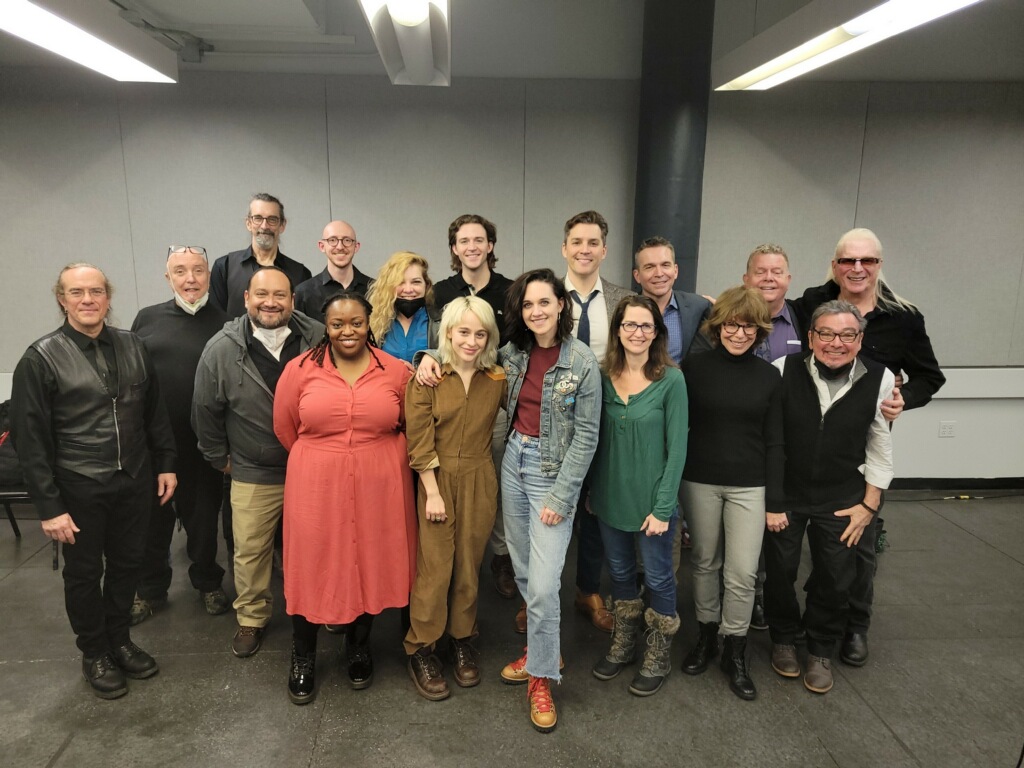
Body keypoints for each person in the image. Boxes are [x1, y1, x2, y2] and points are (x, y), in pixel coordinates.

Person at [415, 268, 600, 731]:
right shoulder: (511, 356)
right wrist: (423, 355)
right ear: (519, 311)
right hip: (513, 462)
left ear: (562, 304)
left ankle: (541, 675)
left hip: (552, 474)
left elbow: (588, 436)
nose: (536, 311)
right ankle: (544, 646)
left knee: (542, 586)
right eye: (528, 304)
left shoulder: (581, 363)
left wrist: (563, 493)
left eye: (545, 302)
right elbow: (464, 354)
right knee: (522, 570)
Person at [10, 263, 176, 699]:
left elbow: (154, 413)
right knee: (84, 575)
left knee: (127, 566)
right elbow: (30, 441)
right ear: (61, 299)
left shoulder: (134, 345)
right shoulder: (40, 358)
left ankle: (119, 641)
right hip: (77, 485)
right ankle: (94, 653)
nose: (88, 299)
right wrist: (49, 507)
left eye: (96, 291)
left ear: (108, 297)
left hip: (134, 478)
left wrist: (166, 464)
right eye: (77, 292)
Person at [793, 228, 937, 666]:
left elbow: (930, 376)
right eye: (847, 261)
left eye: (867, 261)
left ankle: (855, 625)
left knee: (860, 542)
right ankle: (816, 618)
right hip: (810, 442)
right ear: (834, 265)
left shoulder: (904, 317)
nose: (857, 269)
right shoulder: (808, 304)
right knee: (819, 543)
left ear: (879, 265)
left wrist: (902, 400)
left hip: (864, 447)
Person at [273, 292, 416, 703]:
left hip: (379, 484)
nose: (347, 331)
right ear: (326, 327)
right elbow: (286, 428)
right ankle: (303, 654)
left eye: (356, 322)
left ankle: (358, 643)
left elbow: (408, 423)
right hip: (316, 483)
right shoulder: (299, 371)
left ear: (369, 324)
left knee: (368, 559)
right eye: (337, 324)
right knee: (311, 563)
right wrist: (324, 457)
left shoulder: (395, 371)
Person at [192, 266, 324, 659]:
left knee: (321, 543)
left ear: (293, 300)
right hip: (254, 470)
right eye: (262, 295)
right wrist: (220, 459)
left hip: (314, 469)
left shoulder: (318, 337)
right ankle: (252, 617)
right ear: (246, 298)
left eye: (280, 295)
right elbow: (204, 409)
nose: (271, 302)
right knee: (250, 549)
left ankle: (328, 606)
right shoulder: (222, 348)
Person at [765, 300, 895, 694]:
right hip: (788, 494)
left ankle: (821, 647)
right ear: (810, 337)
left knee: (837, 578)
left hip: (843, 498)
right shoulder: (782, 370)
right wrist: (772, 497)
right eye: (826, 333)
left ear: (860, 339)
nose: (835, 343)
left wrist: (869, 505)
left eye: (846, 335)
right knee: (780, 573)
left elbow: (879, 447)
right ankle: (784, 638)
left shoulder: (880, 379)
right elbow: (771, 440)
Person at [678, 286, 784, 701]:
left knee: (741, 572)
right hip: (699, 480)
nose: (738, 334)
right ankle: (706, 637)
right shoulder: (695, 369)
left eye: (747, 328)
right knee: (704, 562)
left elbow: (776, 442)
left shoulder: (769, 377)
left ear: (759, 331)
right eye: (731, 326)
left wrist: (775, 501)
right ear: (717, 326)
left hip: (750, 486)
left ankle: (734, 648)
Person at [403, 296, 507, 701]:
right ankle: (422, 646)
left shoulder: (497, 378)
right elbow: (419, 439)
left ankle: (462, 637)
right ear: (447, 333)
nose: (472, 340)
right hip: (437, 478)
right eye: (463, 331)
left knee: (469, 564)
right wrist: (431, 492)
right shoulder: (427, 378)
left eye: (480, 333)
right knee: (435, 568)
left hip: (481, 475)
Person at [589, 295, 687, 697]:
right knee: (619, 574)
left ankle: (658, 651)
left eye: (646, 326)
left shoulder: (672, 380)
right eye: (629, 325)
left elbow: (677, 449)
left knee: (660, 576)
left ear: (657, 333)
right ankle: (625, 642)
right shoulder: (601, 375)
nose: (637, 333)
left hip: (653, 504)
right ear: (617, 331)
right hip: (610, 498)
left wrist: (664, 507)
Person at [130, 245, 231, 624]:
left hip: (202, 444)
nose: (190, 278)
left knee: (203, 520)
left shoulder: (228, 322)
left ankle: (207, 582)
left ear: (209, 274)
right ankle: (150, 589)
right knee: (152, 522)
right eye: (181, 271)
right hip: (156, 443)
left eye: (198, 270)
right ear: (167, 276)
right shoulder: (146, 319)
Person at [432, 214, 517, 600]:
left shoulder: (510, 291)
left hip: (491, 401)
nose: (471, 246)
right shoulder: (440, 292)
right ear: (454, 248)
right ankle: (452, 562)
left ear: (491, 246)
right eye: (463, 240)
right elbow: (435, 342)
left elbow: (517, 346)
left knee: (494, 483)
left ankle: (499, 557)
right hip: (450, 401)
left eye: (479, 240)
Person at [561, 210, 633, 634]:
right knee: (546, 510)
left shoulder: (623, 300)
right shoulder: (544, 295)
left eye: (593, 243)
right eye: (577, 242)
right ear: (564, 248)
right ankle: (539, 597)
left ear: (604, 250)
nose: (584, 250)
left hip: (604, 419)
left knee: (595, 508)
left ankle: (588, 589)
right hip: (552, 422)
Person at [739, 243, 804, 631]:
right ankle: (741, 598)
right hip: (742, 440)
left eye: (776, 272)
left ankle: (766, 595)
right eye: (760, 271)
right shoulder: (727, 320)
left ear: (788, 279)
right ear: (746, 278)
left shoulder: (804, 321)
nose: (768, 278)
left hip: (789, 443)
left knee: (778, 527)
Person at [210, 193, 313, 317]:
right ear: (248, 223)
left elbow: (302, 324)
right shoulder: (224, 267)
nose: (264, 226)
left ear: (282, 226)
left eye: (272, 220)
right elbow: (216, 320)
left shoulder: (300, 274)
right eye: (258, 218)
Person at [632, 236, 711, 365]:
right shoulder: (625, 311)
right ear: (637, 276)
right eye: (649, 267)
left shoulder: (699, 306)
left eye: (665, 265)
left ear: (675, 271)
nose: (659, 273)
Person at [366, 251, 437, 369]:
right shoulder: (373, 323)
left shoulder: (440, 323)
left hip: (429, 387)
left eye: (416, 282)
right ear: (389, 286)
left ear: (426, 285)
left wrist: (417, 376)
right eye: (400, 282)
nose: (408, 289)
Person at [294, 220, 372, 322]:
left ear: (356, 247)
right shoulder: (304, 293)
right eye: (332, 240)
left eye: (347, 240)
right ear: (322, 246)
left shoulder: (375, 289)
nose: (340, 247)